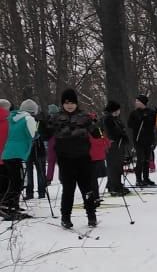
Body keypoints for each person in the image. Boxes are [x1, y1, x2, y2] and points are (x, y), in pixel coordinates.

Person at [49, 89, 99, 228]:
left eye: (72, 103)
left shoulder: (84, 117)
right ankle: (66, 217)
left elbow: (97, 135)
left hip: (82, 158)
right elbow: (46, 134)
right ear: (62, 104)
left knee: (86, 188)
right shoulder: (56, 117)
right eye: (66, 103)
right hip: (65, 159)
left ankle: (91, 215)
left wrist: (96, 124)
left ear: (76, 103)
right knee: (68, 189)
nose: (69, 105)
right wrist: (41, 124)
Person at [0, 99, 37, 217]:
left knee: (14, 180)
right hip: (16, 154)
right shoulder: (28, 119)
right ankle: (6, 205)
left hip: (7, 153)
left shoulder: (13, 117)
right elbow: (33, 134)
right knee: (17, 181)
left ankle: (12, 205)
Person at [126, 95, 157, 186]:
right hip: (138, 139)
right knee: (140, 159)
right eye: (136, 101)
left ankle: (146, 178)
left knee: (147, 159)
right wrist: (139, 121)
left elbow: (154, 123)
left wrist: (156, 116)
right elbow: (129, 124)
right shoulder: (134, 113)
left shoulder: (150, 112)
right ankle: (138, 179)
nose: (136, 103)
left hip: (148, 139)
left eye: (138, 101)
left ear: (143, 103)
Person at [101, 100, 130, 196]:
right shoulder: (108, 119)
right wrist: (121, 135)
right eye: (117, 110)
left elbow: (121, 129)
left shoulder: (115, 118)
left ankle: (116, 184)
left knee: (118, 165)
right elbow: (112, 132)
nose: (119, 111)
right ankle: (114, 186)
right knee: (113, 166)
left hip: (118, 144)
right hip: (112, 145)